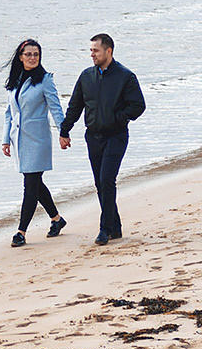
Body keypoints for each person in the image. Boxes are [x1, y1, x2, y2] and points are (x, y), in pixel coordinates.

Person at [60, 33, 146, 246]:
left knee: (107, 179)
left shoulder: (125, 76)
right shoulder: (86, 76)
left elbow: (138, 105)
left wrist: (117, 118)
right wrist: (64, 130)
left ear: (109, 51)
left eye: (95, 50)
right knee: (101, 183)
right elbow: (75, 106)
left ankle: (104, 228)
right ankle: (115, 227)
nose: (92, 54)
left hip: (116, 136)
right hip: (93, 137)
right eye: (90, 50)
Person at [0, 38, 68, 248]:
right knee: (36, 184)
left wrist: (63, 132)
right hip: (19, 139)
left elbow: (56, 107)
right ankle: (57, 219)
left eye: (36, 54)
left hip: (38, 140)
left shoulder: (45, 80)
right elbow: (9, 113)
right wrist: (5, 139)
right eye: (28, 54)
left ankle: (21, 231)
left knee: (30, 185)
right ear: (20, 57)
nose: (32, 58)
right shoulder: (16, 80)